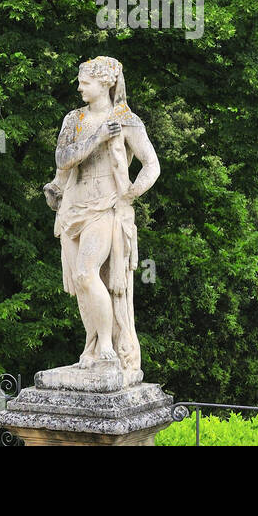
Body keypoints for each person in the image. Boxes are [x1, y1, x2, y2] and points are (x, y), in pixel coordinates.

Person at [44, 57, 158, 373]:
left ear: (105, 83)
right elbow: (64, 158)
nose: (79, 86)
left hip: (105, 208)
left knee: (86, 273)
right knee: (82, 284)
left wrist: (133, 191)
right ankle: (92, 345)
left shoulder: (126, 120)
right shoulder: (74, 119)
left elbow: (152, 164)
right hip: (72, 210)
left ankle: (107, 345)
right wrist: (97, 137)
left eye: (85, 81)